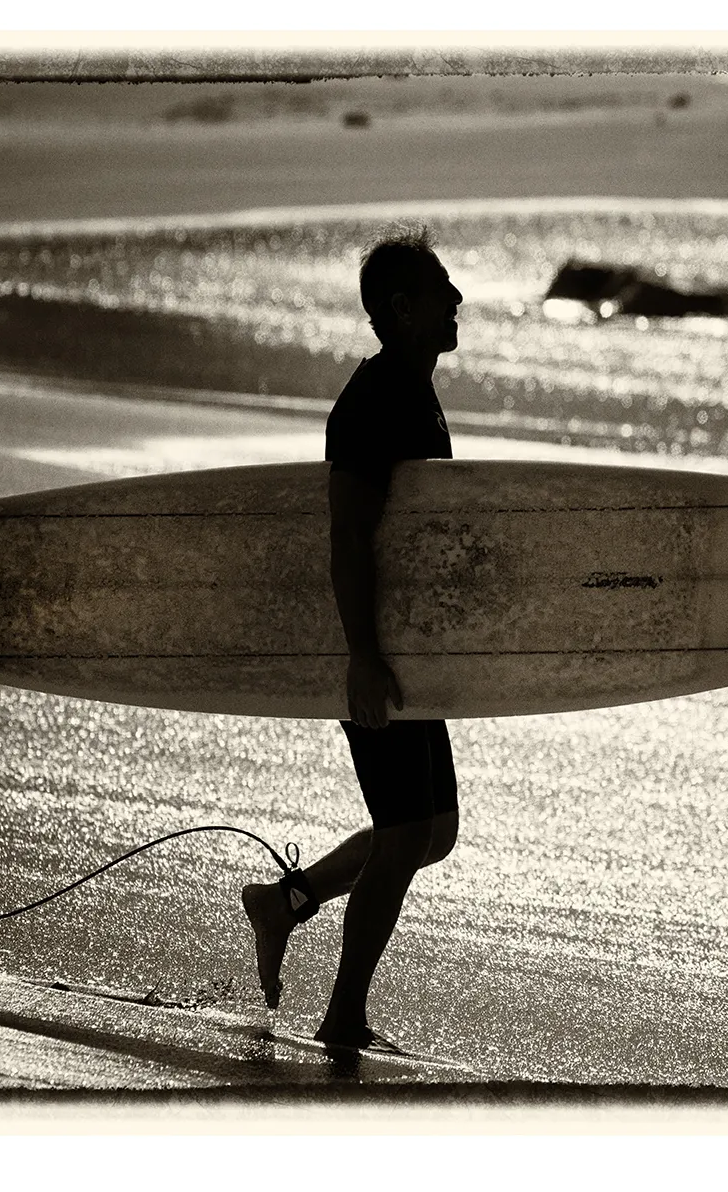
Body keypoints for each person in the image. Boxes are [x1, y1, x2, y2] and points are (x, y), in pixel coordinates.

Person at [242, 227, 464, 1050]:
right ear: (402, 309)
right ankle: (343, 1016)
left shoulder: (413, 389)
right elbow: (347, 536)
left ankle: (284, 901)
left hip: (405, 648)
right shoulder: (375, 402)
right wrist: (363, 659)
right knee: (404, 835)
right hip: (373, 648)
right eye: (441, 289)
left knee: (433, 829)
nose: (457, 299)